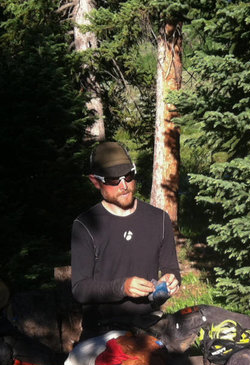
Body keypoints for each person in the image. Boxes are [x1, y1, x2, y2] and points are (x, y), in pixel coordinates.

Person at [71, 141, 181, 340]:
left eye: (129, 176)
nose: (124, 186)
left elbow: (171, 268)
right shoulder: (85, 224)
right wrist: (122, 287)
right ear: (95, 182)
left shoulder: (159, 219)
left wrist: (171, 280)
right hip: (101, 330)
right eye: (113, 180)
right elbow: (80, 289)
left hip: (150, 324)